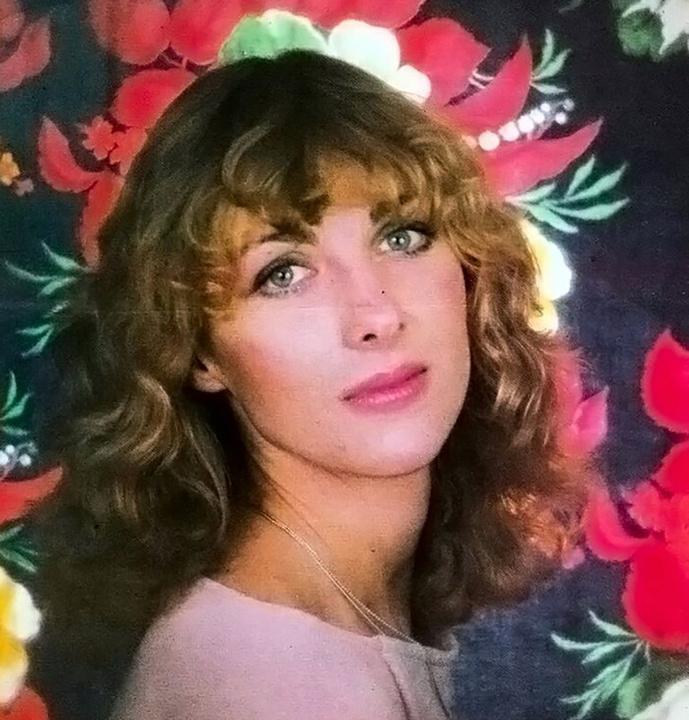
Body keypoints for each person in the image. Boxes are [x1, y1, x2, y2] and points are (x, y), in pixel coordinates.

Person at [31, 48, 599, 720]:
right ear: (198, 353)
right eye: (283, 274)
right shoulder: (268, 688)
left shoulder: (327, 623)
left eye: (402, 236)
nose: (376, 316)